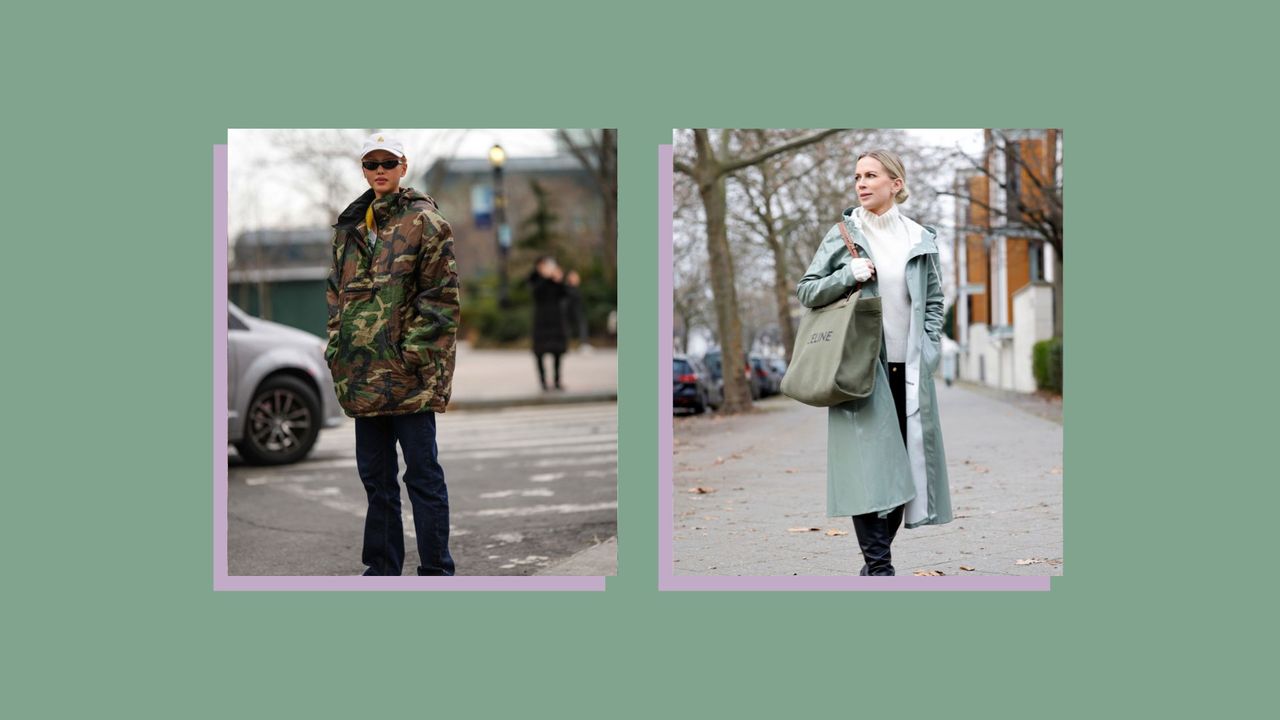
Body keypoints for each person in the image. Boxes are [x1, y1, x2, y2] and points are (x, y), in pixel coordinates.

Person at [795, 149, 952, 576]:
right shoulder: (843, 234)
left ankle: (872, 571)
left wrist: (930, 348)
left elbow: (935, 302)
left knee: (905, 476)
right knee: (868, 475)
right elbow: (807, 291)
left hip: (910, 373)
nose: (861, 183)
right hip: (861, 371)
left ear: (895, 184)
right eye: (857, 176)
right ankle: (880, 571)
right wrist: (849, 274)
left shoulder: (920, 237)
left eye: (871, 175)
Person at [324, 133, 460, 576]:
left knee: (422, 476)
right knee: (377, 482)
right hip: (362, 374)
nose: (379, 170)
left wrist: (412, 356)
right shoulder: (350, 227)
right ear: (363, 170)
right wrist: (337, 348)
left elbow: (441, 300)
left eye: (387, 162)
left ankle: (437, 571)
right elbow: (335, 295)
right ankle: (382, 570)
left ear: (403, 166)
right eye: (370, 163)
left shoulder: (426, 222)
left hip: (408, 377)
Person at [528, 256, 578, 390]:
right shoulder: (534, 278)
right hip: (541, 321)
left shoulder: (556, 280)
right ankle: (543, 382)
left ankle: (557, 381)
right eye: (544, 265)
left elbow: (568, 295)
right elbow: (536, 293)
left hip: (556, 320)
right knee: (539, 353)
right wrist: (545, 278)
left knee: (558, 352)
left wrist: (568, 283)